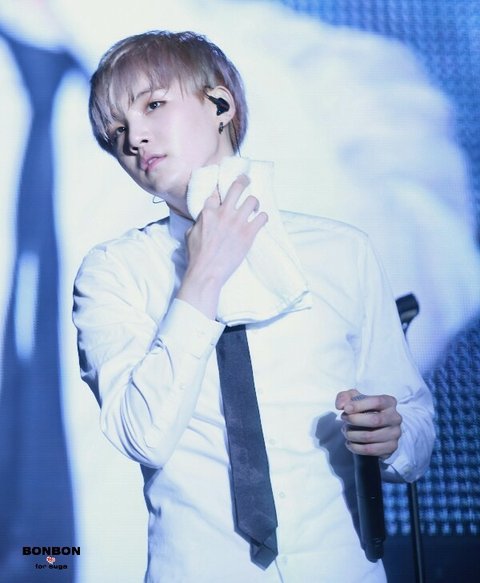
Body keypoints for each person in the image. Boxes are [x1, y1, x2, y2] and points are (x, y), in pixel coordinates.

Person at [73, 30, 435, 583]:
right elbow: (141, 435)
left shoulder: (342, 251)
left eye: (153, 105)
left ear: (220, 105)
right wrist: (203, 276)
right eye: (116, 131)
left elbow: (414, 420)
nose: (135, 138)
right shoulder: (113, 271)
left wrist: (394, 436)